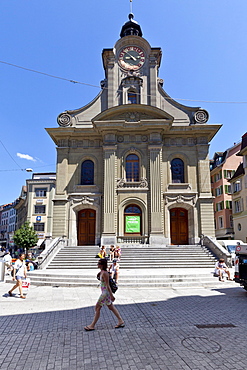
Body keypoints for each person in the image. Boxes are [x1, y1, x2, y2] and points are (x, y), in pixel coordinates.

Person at [84, 258, 124, 331]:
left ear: (102, 265)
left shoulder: (105, 273)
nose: (97, 264)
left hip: (105, 293)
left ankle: (92, 325)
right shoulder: (102, 272)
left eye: (99, 263)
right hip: (104, 292)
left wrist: (112, 295)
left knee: (97, 308)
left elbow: (107, 285)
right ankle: (120, 321)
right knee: (111, 307)